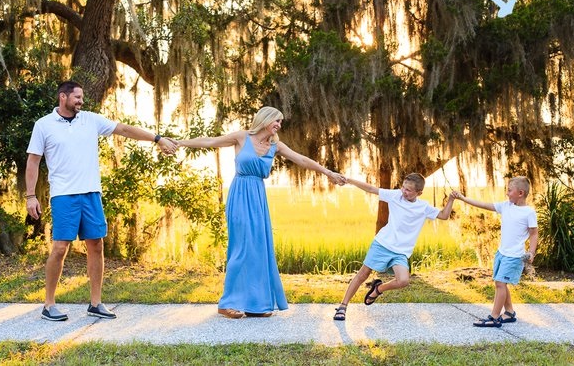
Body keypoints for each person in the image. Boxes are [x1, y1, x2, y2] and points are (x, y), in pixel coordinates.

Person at [170, 106, 345, 319]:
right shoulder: (241, 137)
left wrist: (328, 173)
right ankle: (227, 303)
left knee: (259, 249)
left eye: (281, 122)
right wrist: (179, 143)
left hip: (258, 198)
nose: (279, 125)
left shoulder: (275, 145)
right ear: (265, 119)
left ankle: (255, 304)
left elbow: (302, 160)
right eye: (277, 121)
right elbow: (210, 141)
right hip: (240, 194)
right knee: (242, 248)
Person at [26, 80, 177, 321]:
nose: (81, 101)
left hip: (91, 194)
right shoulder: (43, 125)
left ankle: (95, 303)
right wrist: (31, 196)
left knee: (96, 245)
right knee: (60, 248)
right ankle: (49, 304)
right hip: (63, 195)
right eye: (77, 97)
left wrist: (157, 139)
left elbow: (125, 130)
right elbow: (33, 161)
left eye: (82, 97)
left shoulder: (91, 120)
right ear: (62, 97)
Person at [333, 173, 455, 321]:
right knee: (363, 274)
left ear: (419, 192)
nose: (404, 191)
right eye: (403, 187)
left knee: (403, 280)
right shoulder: (395, 196)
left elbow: (443, 215)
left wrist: (451, 199)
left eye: (409, 190)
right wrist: (350, 180)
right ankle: (343, 306)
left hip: (400, 252)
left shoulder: (423, 207)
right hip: (382, 244)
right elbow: (371, 189)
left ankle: (378, 289)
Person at [452, 176, 538, 328]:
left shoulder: (528, 213)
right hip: (502, 253)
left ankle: (494, 316)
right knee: (500, 283)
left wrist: (531, 252)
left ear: (520, 193)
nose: (507, 193)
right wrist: (463, 198)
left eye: (509, 190)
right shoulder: (506, 206)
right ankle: (509, 312)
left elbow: (533, 233)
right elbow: (485, 205)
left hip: (514, 256)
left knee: (500, 283)